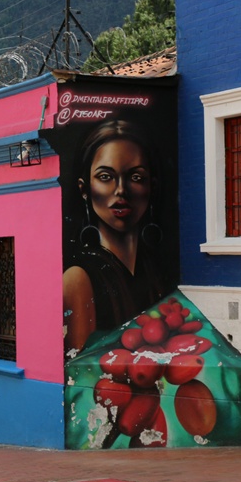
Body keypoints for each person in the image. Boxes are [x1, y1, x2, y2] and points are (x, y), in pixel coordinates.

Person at [62, 119, 172, 353]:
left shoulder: (157, 269)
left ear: (151, 187)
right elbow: (82, 369)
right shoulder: (78, 279)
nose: (121, 190)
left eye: (135, 177)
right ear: (84, 189)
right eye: (105, 176)